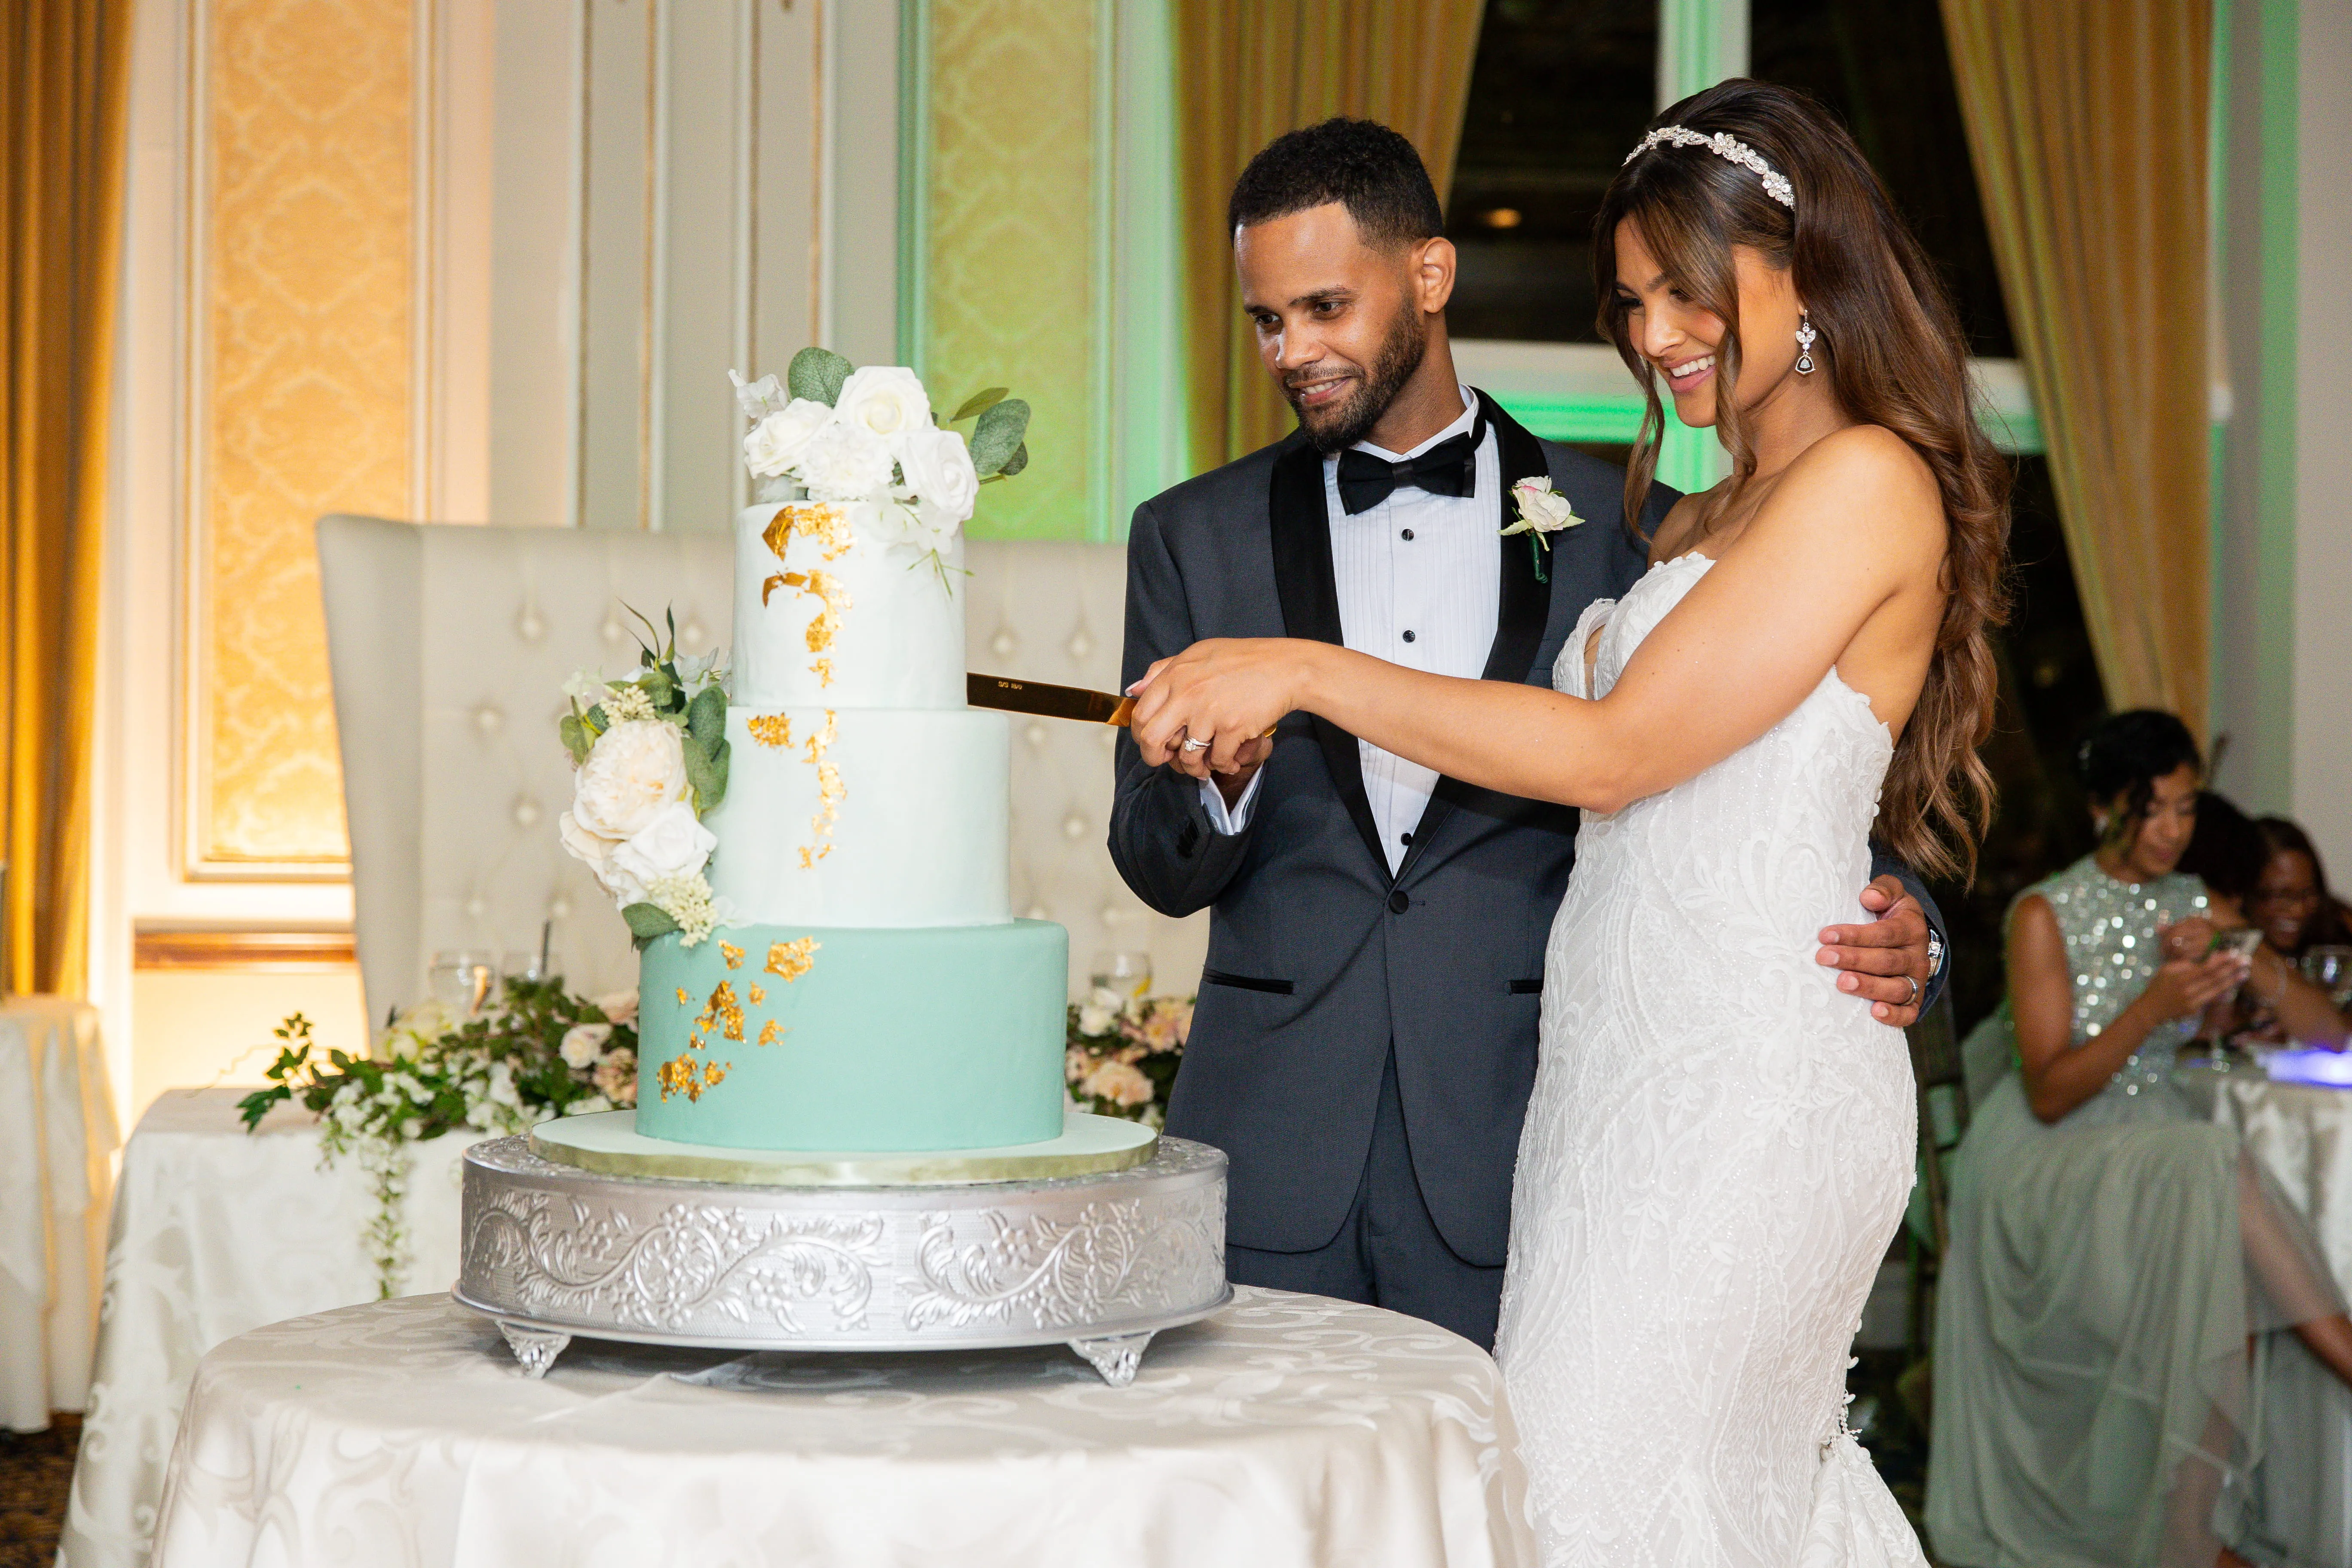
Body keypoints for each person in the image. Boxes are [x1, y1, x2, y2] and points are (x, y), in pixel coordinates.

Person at [1126, 81, 1995, 1561]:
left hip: (1709, 1095)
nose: (1653, 334)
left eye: (1686, 289)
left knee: (1596, 1495)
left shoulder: (1774, 491)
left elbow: (1635, 757)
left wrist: (1905, 912)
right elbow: (1769, 757)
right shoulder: (1699, 507)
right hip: (1586, 1101)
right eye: (1632, 299)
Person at [1926, 710, 2352, 1568]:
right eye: (2151, 810)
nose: (2172, 830)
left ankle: (2190, 1530)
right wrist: (2156, 1006)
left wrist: (2249, 954)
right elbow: (2049, 1091)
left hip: (2153, 1143)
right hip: (2048, 1158)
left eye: (2186, 809)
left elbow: (2332, 1035)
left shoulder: (2196, 900)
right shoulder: (2045, 914)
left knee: (2203, 1181)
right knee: (2208, 1165)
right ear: (2102, 809)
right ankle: (2338, 1354)